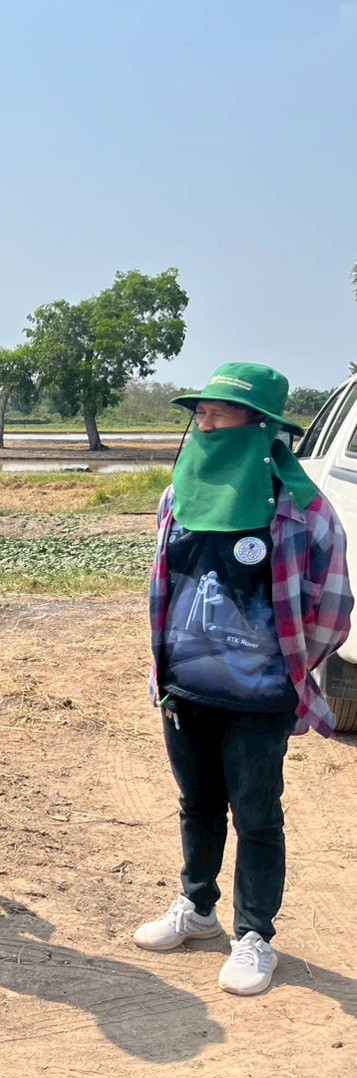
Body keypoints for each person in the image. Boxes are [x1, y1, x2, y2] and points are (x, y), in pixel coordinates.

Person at [137, 362, 351, 996]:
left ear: (260, 427)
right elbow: (164, 585)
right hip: (185, 686)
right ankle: (196, 907)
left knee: (256, 813)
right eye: (199, 415)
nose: (204, 426)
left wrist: (285, 669)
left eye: (218, 415)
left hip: (259, 698)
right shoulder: (177, 496)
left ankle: (255, 935)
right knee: (197, 803)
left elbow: (333, 609)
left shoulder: (303, 510)